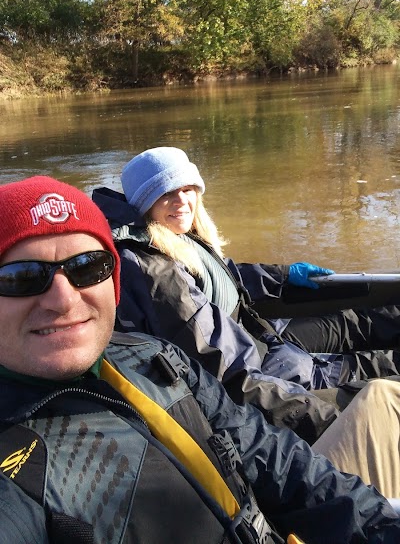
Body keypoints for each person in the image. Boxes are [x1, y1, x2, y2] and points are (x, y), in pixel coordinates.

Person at [0, 174, 399, 544]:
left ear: (112, 279)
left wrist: (384, 526)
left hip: (271, 501)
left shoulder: (154, 358)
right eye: (21, 277)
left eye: (87, 267)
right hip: (269, 369)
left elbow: (275, 459)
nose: (64, 299)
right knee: (381, 395)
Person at [93, 146, 400, 447]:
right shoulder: (154, 272)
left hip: (258, 339)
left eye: (188, 189)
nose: (182, 200)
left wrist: (283, 275)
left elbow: (225, 276)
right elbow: (227, 372)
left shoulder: (172, 235)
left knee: (349, 324)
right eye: (166, 193)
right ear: (143, 203)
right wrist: (327, 419)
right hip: (262, 371)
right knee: (370, 373)